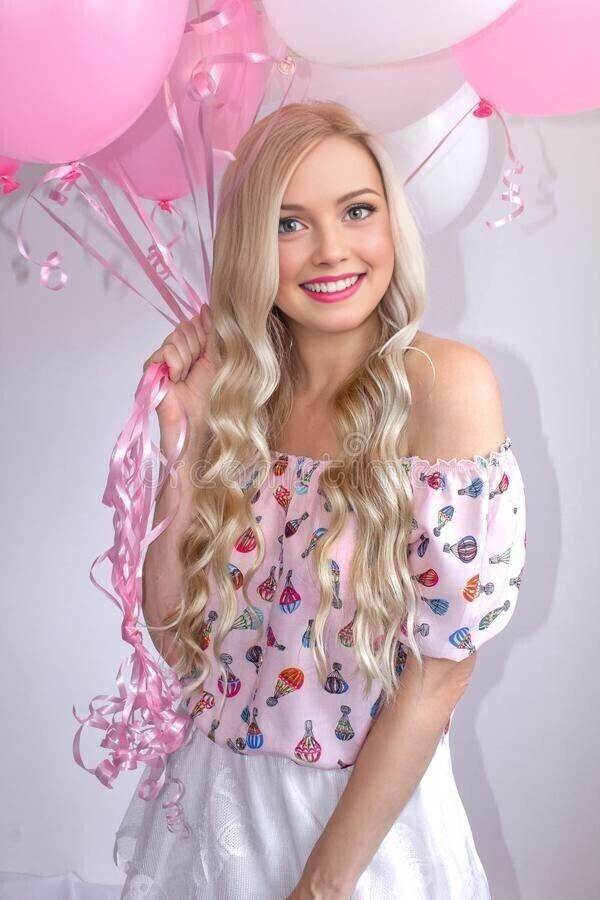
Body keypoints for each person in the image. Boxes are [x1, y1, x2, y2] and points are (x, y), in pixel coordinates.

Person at [113, 100, 527, 900]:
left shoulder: (447, 387)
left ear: (392, 223)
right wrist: (185, 437)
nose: (332, 249)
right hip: (214, 812)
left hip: (363, 834)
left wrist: (321, 887)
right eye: (290, 223)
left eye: (357, 211)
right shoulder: (239, 395)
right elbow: (175, 640)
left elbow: (441, 676)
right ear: (251, 247)